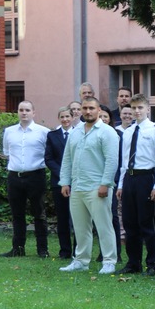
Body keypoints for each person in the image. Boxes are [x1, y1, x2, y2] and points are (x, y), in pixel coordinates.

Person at [59, 98, 120, 274]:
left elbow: (112, 160)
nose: (87, 111)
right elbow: (67, 159)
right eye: (85, 108)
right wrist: (65, 182)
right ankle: (81, 260)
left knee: (104, 225)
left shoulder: (107, 132)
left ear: (98, 110)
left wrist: (105, 184)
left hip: (97, 187)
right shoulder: (76, 132)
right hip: (78, 186)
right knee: (80, 226)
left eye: (91, 108)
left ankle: (109, 261)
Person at [116, 94, 155, 275]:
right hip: (130, 178)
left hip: (146, 178)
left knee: (148, 223)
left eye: (140, 108)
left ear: (147, 109)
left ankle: (153, 263)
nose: (136, 111)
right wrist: (121, 184)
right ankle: (133, 263)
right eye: (133, 108)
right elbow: (124, 161)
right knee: (130, 223)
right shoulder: (128, 132)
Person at [2, 100, 50, 258]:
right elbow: (6, 152)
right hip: (15, 177)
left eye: (27, 110)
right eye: (21, 110)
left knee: (39, 213)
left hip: (35, 176)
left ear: (33, 113)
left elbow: (49, 154)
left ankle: (42, 249)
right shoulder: (9, 132)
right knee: (17, 214)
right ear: (17, 112)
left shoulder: (43, 132)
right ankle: (18, 248)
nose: (24, 113)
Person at [44, 107, 75, 260]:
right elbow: (49, 159)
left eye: (67, 116)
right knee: (62, 219)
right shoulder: (52, 136)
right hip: (59, 182)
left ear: (73, 117)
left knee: (78, 219)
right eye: (62, 117)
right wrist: (63, 175)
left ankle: (78, 251)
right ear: (59, 119)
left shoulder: (79, 133)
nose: (65, 120)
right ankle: (65, 251)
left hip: (77, 181)